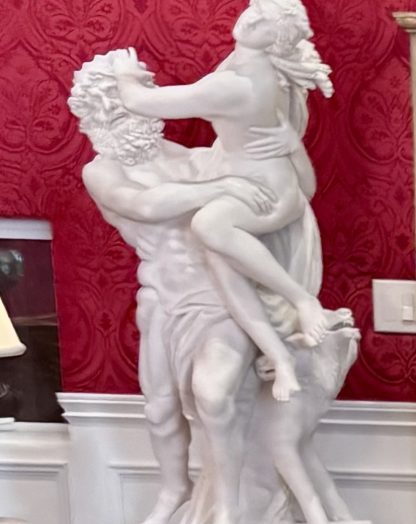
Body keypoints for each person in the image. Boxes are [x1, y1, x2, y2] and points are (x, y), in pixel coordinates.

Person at [112, 0, 346, 400]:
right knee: (221, 261)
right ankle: (280, 359)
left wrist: (123, 74)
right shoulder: (246, 65)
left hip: (268, 195)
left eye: (264, 21)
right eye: (254, 9)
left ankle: (301, 300)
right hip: (256, 180)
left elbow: (142, 103)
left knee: (208, 225)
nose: (249, 18)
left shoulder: (238, 84)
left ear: (275, 39)